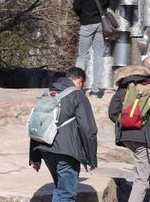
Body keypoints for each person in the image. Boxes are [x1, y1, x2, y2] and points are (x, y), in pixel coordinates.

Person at [28, 66, 99, 202]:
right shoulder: (77, 95)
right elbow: (88, 129)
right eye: (82, 83)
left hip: (46, 150)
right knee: (65, 194)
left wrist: (35, 157)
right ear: (78, 80)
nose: (82, 87)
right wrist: (92, 158)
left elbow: (36, 126)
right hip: (67, 152)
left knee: (60, 190)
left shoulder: (48, 94)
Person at [108, 56, 150, 202]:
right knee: (141, 179)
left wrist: (125, 122)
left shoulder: (124, 84)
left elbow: (112, 111)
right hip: (144, 137)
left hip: (127, 136)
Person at [72, 0, 112, 97]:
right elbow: (107, 5)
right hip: (101, 24)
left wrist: (82, 15)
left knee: (83, 55)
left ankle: (76, 87)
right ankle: (95, 90)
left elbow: (76, 5)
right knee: (99, 56)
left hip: (86, 22)